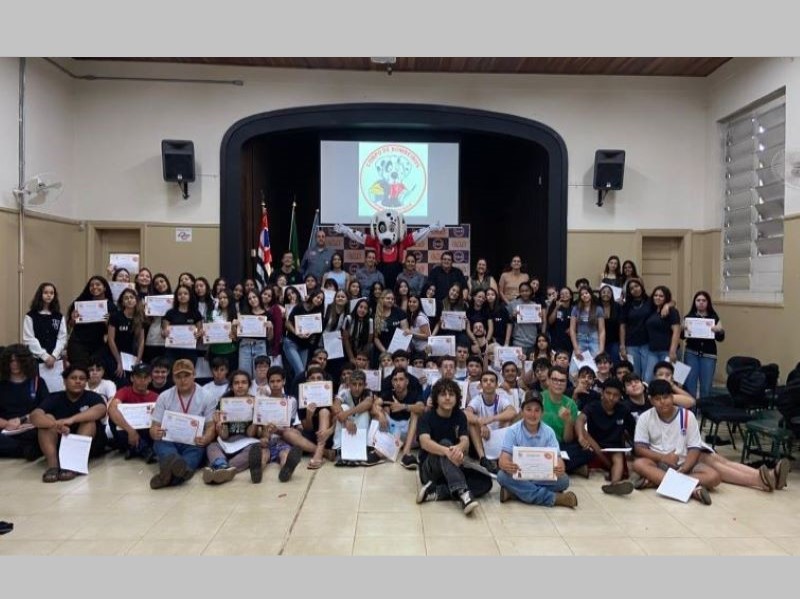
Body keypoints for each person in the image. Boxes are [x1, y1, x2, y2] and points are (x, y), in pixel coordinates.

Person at [631, 379, 721, 505]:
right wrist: (663, 457)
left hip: (683, 463)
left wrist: (684, 469)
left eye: (666, 397)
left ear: (672, 397)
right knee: (639, 464)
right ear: (651, 400)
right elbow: (639, 448)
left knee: (714, 477)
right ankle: (693, 489)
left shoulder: (687, 416)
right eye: (657, 399)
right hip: (658, 463)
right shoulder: (645, 417)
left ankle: (654, 481)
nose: (662, 402)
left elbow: (694, 448)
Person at [416, 379, 488, 515]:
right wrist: (447, 451)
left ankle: (437, 491)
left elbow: (465, 441)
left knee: (485, 482)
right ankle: (463, 493)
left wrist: (458, 449)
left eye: (451, 394)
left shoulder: (460, 416)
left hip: (453, 464)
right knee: (445, 442)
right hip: (430, 469)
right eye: (443, 394)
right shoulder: (426, 417)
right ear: (436, 398)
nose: (448, 398)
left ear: (457, 398)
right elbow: (424, 442)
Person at [496, 390, 578, 508]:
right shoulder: (513, 431)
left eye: (537, 410)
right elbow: (503, 459)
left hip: (541, 476)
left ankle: (515, 493)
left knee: (564, 480)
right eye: (528, 409)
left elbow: (559, 459)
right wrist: (507, 465)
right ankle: (554, 498)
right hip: (520, 474)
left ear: (542, 413)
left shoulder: (549, 432)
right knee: (502, 476)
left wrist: (560, 467)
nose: (533, 414)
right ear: (522, 411)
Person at [30, 364, 107, 483]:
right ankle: (53, 466)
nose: (78, 381)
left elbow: (101, 410)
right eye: (73, 378)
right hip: (60, 440)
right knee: (46, 419)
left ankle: (73, 465)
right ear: (65, 381)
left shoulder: (92, 397)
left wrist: (71, 420)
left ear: (86, 382)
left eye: (82, 379)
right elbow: (34, 416)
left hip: (88, 444)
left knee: (88, 421)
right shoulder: (54, 397)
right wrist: (55, 425)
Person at [148, 359, 217, 489]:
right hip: (169, 440)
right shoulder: (164, 396)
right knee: (160, 443)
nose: (182, 380)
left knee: (196, 451)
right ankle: (179, 470)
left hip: (193, 442)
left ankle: (168, 476)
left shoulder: (207, 396)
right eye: (178, 377)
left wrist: (206, 438)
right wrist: (155, 432)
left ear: (194, 375)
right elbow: (154, 426)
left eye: (186, 376)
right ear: (173, 378)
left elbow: (210, 426)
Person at [575, 378, 636, 495]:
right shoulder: (593, 406)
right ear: (602, 393)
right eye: (608, 393)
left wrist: (635, 451)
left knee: (618, 457)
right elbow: (580, 420)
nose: (611, 398)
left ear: (620, 397)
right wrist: (581, 437)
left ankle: (615, 484)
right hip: (593, 446)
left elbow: (633, 431)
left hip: (615, 448)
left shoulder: (624, 410)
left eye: (615, 395)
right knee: (584, 441)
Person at [202, 370, 262, 485]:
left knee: (255, 449)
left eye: (244, 382)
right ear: (232, 386)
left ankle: (220, 468)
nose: (240, 386)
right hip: (228, 440)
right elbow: (224, 435)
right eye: (236, 383)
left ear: (249, 385)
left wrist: (255, 418)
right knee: (211, 446)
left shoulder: (255, 402)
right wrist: (219, 427)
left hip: (246, 441)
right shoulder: (224, 402)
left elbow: (250, 434)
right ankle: (222, 466)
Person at [0, 345, 49, 460]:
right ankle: (25, 450)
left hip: (31, 426)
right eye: (11, 361)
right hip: (7, 429)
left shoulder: (38, 382)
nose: (15, 364)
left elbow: (46, 407)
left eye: (18, 361)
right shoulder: (1, 385)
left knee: (42, 433)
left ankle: (25, 449)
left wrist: (23, 419)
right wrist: (7, 424)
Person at [540, 365, 592, 475]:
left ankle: (555, 465)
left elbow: (567, 439)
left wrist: (568, 421)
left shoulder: (570, 404)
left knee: (587, 452)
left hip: (560, 446)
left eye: (562, 381)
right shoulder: (540, 399)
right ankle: (572, 468)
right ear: (548, 381)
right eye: (555, 380)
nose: (558, 383)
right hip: (540, 443)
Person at [465, 370, 517, 474]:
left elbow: (512, 412)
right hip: (481, 439)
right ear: (480, 386)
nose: (488, 383)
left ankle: (501, 455)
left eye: (492, 381)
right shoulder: (477, 399)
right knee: (472, 423)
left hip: (496, 437)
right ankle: (483, 459)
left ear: (497, 385)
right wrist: (480, 422)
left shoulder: (501, 399)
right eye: (485, 380)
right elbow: (466, 413)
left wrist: (492, 418)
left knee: (508, 419)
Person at [374, 368, 426, 469]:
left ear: (407, 381)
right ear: (392, 382)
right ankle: (379, 449)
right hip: (394, 434)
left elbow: (421, 408)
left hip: (410, 436)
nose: (398, 383)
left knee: (416, 412)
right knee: (379, 410)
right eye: (395, 380)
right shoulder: (388, 394)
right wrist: (380, 414)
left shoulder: (414, 393)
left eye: (401, 379)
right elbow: (375, 404)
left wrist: (403, 406)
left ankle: (406, 453)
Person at [107, 363, 158, 461]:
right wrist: (130, 431)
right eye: (138, 377)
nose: (142, 381)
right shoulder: (124, 391)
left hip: (146, 431)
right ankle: (143, 449)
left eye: (145, 377)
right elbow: (112, 408)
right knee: (112, 419)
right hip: (127, 430)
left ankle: (134, 448)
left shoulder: (156, 397)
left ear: (150, 379)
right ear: (132, 378)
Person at [682, 291, 725, 399]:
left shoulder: (714, 317)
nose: (701, 303)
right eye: (698, 300)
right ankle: (691, 411)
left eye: (704, 300)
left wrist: (719, 331)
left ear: (708, 303)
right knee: (690, 384)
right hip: (691, 353)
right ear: (694, 302)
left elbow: (720, 339)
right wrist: (683, 329)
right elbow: (682, 337)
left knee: (706, 386)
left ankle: (704, 411)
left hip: (708, 355)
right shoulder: (689, 317)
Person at [66, 276, 116, 369]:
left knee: (94, 372)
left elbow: (113, 331)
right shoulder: (81, 302)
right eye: (91, 285)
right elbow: (70, 325)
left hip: (98, 345)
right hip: (78, 343)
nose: (94, 287)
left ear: (105, 287)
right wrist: (73, 320)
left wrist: (107, 322)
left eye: (98, 284)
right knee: (80, 370)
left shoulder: (111, 306)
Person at [23, 282, 67, 368]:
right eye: (46, 292)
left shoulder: (59, 316)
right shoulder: (30, 316)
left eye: (51, 293)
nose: (49, 295)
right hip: (36, 360)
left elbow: (62, 338)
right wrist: (45, 357)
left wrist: (54, 356)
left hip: (55, 360)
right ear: (40, 294)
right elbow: (29, 339)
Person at [643, 285, 681, 383]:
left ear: (666, 298)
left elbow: (676, 331)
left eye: (661, 296)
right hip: (652, 351)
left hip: (667, 351)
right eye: (655, 295)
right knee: (648, 379)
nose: (657, 298)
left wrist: (672, 351)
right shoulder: (652, 310)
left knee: (666, 381)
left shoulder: (672, 311)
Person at [107, 288, 145, 383]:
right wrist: (119, 362)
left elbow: (141, 342)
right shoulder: (116, 316)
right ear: (122, 302)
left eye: (131, 297)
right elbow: (111, 339)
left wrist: (138, 361)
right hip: (116, 355)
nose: (129, 300)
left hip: (132, 356)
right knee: (121, 380)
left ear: (136, 300)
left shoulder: (140, 318)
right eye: (126, 298)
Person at [162, 284, 203, 366]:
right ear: (176, 297)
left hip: (190, 352)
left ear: (190, 295)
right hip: (172, 352)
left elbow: (200, 333)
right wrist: (164, 333)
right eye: (179, 294)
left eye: (185, 293)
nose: (182, 296)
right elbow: (163, 334)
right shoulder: (170, 313)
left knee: (188, 376)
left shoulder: (196, 313)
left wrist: (199, 334)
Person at [569, 285, 605, 373]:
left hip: (594, 339)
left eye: (586, 293)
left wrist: (601, 349)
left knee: (597, 369)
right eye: (582, 294)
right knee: (572, 371)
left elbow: (602, 330)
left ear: (591, 294)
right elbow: (572, 330)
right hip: (580, 339)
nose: (584, 295)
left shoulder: (598, 309)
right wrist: (576, 348)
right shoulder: (576, 309)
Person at [619, 277, 650, 376]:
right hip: (631, 344)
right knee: (634, 373)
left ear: (641, 287)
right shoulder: (626, 305)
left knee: (647, 374)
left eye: (636, 286)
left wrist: (668, 305)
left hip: (647, 343)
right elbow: (622, 326)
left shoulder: (650, 301)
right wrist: (622, 345)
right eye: (631, 288)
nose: (635, 289)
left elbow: (670, 301)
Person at [372, 290, 411, 357]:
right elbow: (376, 338)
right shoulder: (376, 314)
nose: (390, 300)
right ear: (382, 299)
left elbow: (405, 331)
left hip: (398, 347)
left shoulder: (399, 312)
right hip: (382, 348)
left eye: (392, 299)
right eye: (388, 298)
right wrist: (385, 352)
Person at [207, 289, 239, 372]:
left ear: (230, 299)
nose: (222, 300)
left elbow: (239, 338)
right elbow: (208, 332)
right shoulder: (213, 313)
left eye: (225, 297)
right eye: (220, 298)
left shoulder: (237, 315)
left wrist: (234, 335)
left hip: (231, 351)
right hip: (215, 351)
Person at [508, 281, 543, 356]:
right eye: (522, 291)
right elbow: (508, 322)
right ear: (519, 292)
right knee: (518, 365)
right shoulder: (513, 304)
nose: (524, 293)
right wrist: (512, 316)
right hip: (518, 341)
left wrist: (540, 318)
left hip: (533, 341)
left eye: (526, 291)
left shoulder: (535, 305)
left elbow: (539, 325)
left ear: (530, 291)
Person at [544, 286, 573, 355]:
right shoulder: (554, 306)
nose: (564, 295)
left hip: (569, 341)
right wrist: (557, 307)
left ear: (571, 296)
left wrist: (572, 328)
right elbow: (550, 321)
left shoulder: (574, 309)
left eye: (566, 293)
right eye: (562, 293)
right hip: (556, 341)